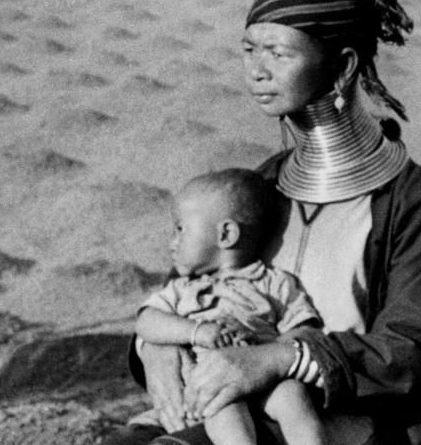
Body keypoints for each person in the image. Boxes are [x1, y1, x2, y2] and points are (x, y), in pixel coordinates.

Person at [113, 0, 421, 445]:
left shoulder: (409, 202)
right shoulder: (258, 188)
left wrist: (278, 357)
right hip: (246, 401)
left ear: (344, 64)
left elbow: (414, 352)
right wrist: (152, 350)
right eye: (249, 50)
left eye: (279, 53)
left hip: (364, 414)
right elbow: (185, 290)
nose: (256, 71)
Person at [136, 168, 326, 445]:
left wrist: (271, 355)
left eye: (180, 229)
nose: (172, 243)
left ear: (226, 233)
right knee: (224, 413)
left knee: (295, 399)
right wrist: (195, 331)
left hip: (264, 379)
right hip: (209, 380)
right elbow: (146, 322)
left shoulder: (275, 282)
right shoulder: (181, 289)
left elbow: (304, 329)